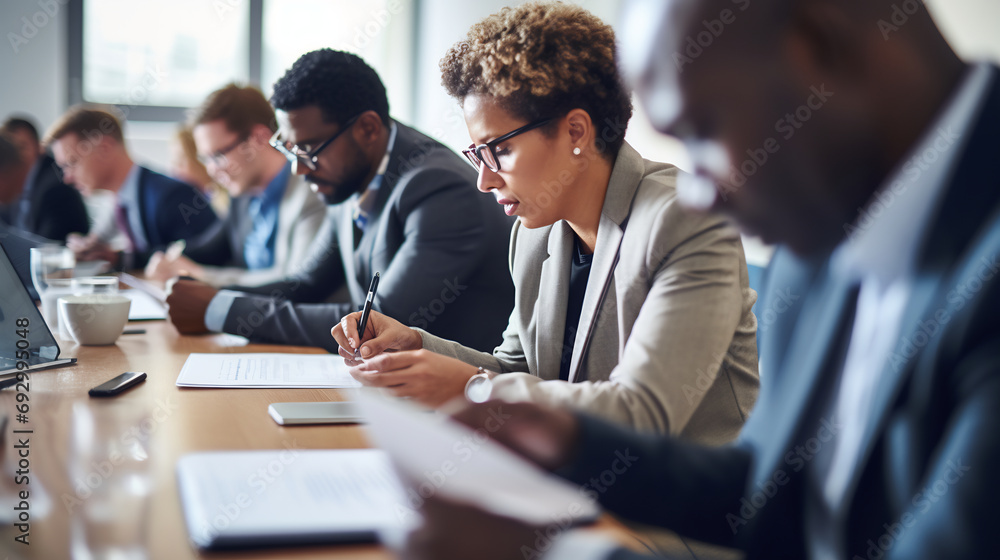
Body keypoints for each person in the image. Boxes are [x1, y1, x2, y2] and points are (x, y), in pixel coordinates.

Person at [398, 0, 1000, 559]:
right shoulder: (823, 227)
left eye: (704, 130)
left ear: (822, 47)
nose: (699, 190)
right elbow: (770, 494)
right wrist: (571, 446)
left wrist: (560, 550)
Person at [333, 2, 759, 438]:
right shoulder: (536, 234)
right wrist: (418, 344)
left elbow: (642, 412)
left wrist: (474, 388)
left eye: (498, 150)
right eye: (476, 154)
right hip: (572, 479)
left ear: (576, 132)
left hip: (682, 499)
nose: (483, 180)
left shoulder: (686, 221)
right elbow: (517, 369)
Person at [165, 50, 514, 353]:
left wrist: (221, 310)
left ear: (367, 129)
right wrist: (212, 294)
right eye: (289, 148)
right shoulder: (346, 176)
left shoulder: (438, 187)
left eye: (308, 150)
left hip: (461, 402)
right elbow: (306, 283)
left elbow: (378, 323)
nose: (299, 169)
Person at [146, 84, 326, 288]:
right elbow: (210, 248)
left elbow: (292, 282)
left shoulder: (310, 193)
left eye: (218, 155)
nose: (211, 170)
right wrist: (165, 260)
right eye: (205, 159)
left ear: (259, 138)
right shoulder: (242, 195)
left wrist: (201, 275)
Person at [46, 106, 219, 270]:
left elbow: (205, 259)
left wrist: (119, 258)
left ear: (104, 148)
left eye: (72, 163)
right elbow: (99, 241)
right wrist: (87, 247)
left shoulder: (172, 196)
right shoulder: (119, 201)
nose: (67, 178)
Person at [0, 116, 90, 242]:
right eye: (11, 150)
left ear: (39, 147)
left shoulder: (56, 186)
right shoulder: (9, 180)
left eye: (22, 147)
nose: (17, 156)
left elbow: (49, 247)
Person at [167, 125, 230, 219]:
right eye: (175, 163)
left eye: (181, 161)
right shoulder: (197, 199)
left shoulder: (226, 204)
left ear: (201, 160)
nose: (174, 170)